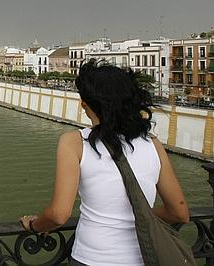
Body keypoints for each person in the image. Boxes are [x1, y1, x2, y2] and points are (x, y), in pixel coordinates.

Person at [19, 60, 189, 266]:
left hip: (92, 257)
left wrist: (34, 225)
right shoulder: (153, 144)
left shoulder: (73, 142)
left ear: (86, 105)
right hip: (142, 258)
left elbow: (58, 215)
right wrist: (138, 215)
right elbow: (179, 212)